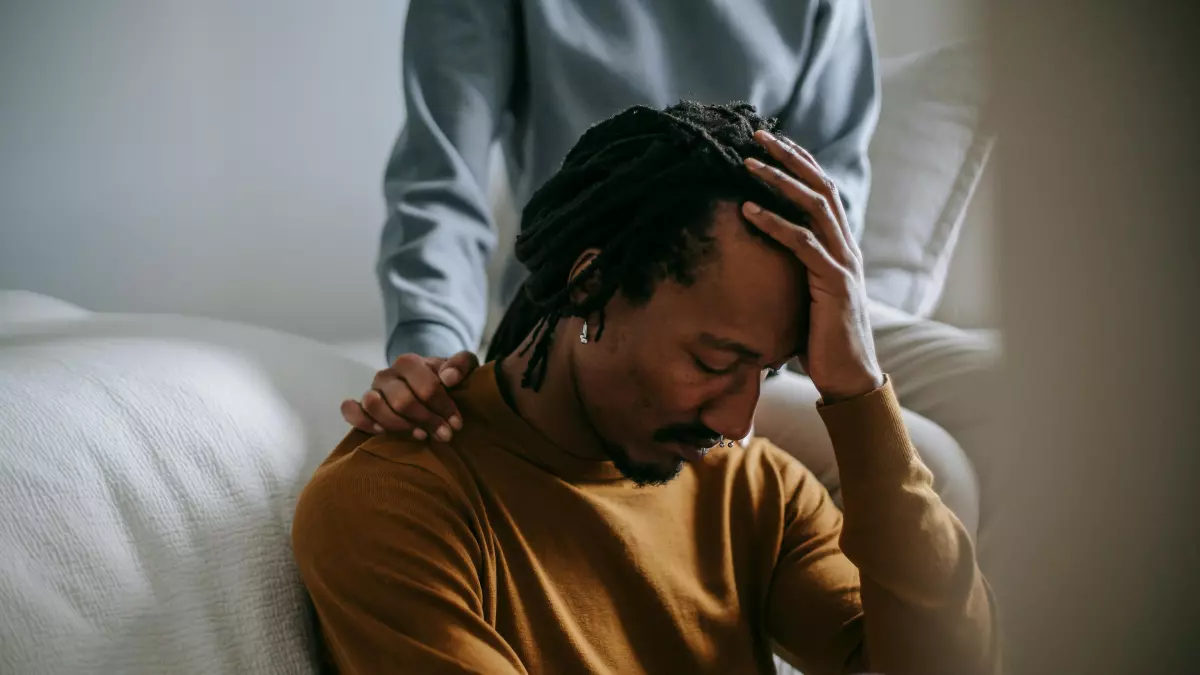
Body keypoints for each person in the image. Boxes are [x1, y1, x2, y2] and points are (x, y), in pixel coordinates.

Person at [293, 102, 998, 675]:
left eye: (770, 370)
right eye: (714, 359)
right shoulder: (397, 504)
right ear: (589, 282)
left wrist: (859, 389)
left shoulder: (759, 492)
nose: (741, 417)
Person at [347, 0, 990, 539]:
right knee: (934, 462)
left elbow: (833, 188)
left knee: (1003, 399)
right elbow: (440, 180)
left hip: (778, 307)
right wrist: (434, 353)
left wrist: (839, 365)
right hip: (598, 304)